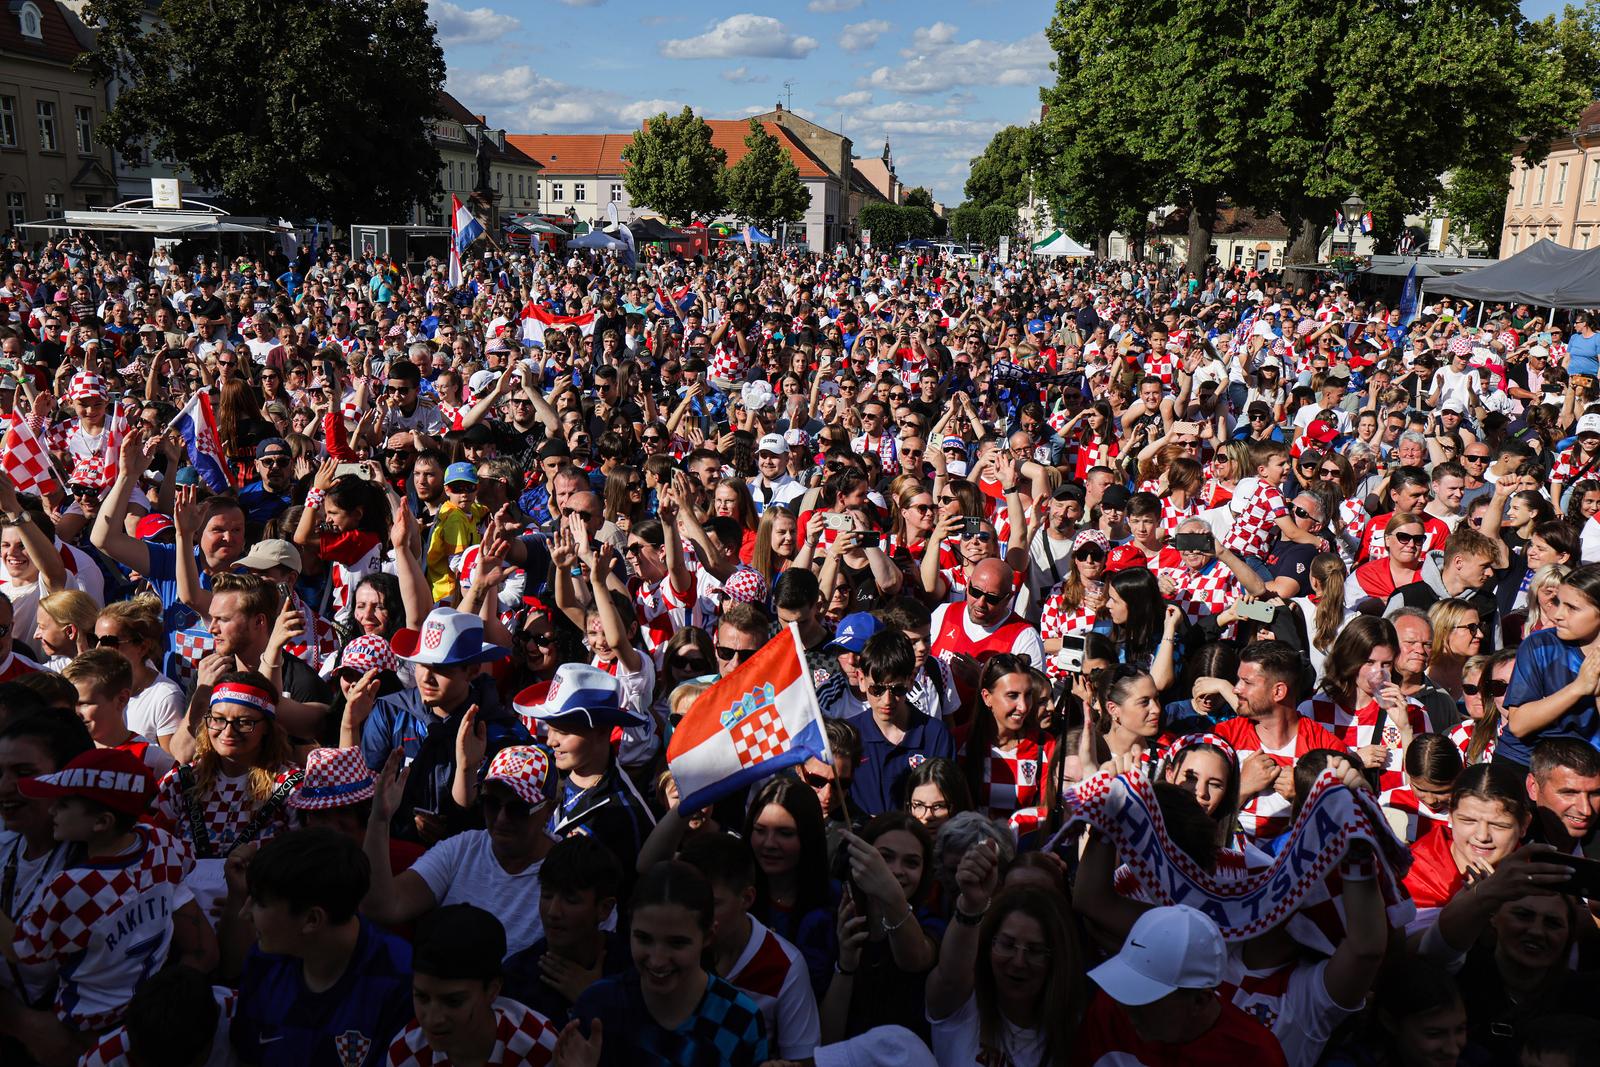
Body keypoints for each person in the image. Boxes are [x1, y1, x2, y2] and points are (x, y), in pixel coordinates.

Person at [4, 749, 191, 1044]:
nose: (52, 810)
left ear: (102, 822)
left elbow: (23, 949)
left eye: (63, 804)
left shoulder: (72, 885)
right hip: (142, 1009)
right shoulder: (160, 842)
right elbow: (185, 861)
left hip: (84, 1025)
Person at [228, 829, 414, 1067]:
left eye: (260, 903)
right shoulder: (263, 962)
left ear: (312, 920)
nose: (245, 914)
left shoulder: (402, 982)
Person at [362, 745, 559, 957]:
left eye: (518, 808)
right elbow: (383, 907)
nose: (502, 818)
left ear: (549, 810)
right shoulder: (462, 849)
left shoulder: (568, 869)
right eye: (491, 803)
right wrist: (380, 820)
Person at [571, 861, 769, 1067]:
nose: (657, 961)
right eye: (644, 939)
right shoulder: (598, 1006)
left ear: (708, 936)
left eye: (677, 943)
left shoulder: (740, 1019)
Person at [357, 606, 526, 843]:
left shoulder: (502, 732)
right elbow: (365, 795)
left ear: (473, 670)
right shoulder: (390, 712)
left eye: (442, 668)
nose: (426, 677)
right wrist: (405, 822)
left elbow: (511, 816)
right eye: (421, 664)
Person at [154, 670, 300, 923]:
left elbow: (307, 861)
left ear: (267, 728)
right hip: (183, 922)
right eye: (218, 719)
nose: (228, 731)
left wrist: (259, 899)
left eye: (244, 722)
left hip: (258, 921)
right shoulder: (180, 782)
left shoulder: (291, 786)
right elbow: (149, 848)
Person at [924, 838, 1084, 1067]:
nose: (1018, 962)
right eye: (1007, 945)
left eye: (1035, 951)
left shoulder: (1076, 1027)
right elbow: (950, 977)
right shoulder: (963, 1006)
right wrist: (970, 904)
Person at [1078, 905, 1289, 1066]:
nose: (1128, 1008)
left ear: (1200, 1000)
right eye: (1123, 985)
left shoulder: (1255, 1056)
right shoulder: (1107, 1011)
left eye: (1144, 997)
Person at [678, 833, 820, 1059]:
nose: (696, 915)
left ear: (747, 898)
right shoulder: (668, 947)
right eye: (687, 901)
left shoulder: (785, 966)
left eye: (711, 904)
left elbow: (802, 1060)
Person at [512, 664, 655, 885]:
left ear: (602, 731)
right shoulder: (542, 777)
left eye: (563, 731)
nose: (551, 741)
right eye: (550, 728)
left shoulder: (624, 815)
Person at [385, 904, 561, 1067]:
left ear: (493, 990)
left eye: (453, 1002)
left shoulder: (541, 1049)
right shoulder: (406, 1053)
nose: (433, 1019)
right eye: (422, 997)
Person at [501, 834, 626, 1025]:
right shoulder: (515, 978)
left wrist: (596, 1001)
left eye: (571, 900)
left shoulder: (632, 971)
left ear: (604, 909)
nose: (553, 912)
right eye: (547, 895)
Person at [846, 631, 955, 816]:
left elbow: (948, 803)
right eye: (877, 689)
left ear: (911, 681)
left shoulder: (936, 735)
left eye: (897, 689)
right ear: (861, 680)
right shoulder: (848, 737)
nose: (887, 700)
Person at [1523, 737, 1600, 857]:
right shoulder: (1509, 845)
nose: (1586, 810)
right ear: (1533, 787)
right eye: (1569, 793)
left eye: (1595, 793)